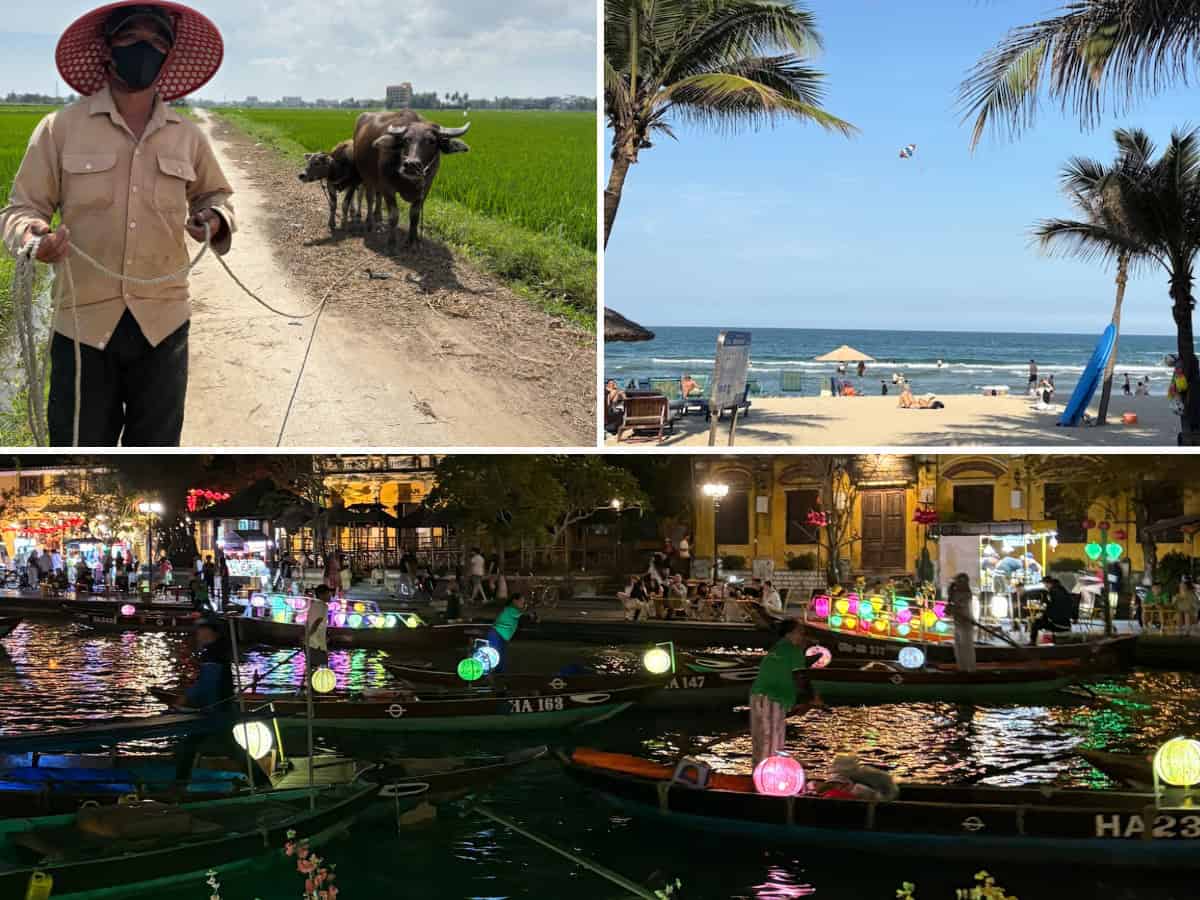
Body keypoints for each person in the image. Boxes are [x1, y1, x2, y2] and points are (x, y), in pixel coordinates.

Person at [0, 3, 235, 446]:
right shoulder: (59, 129)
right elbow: (20, 209)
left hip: (163, 324)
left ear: (167, 55)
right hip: (82, 326)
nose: (143, 48)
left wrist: (214, 220)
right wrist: (34, 238)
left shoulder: (186, 136)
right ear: (108, 49)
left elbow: (216, 196)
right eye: (131, 37)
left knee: (158, 452)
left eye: (156, 40)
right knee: (79, 451)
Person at [171, 617, 268, 789]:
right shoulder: (217, 651)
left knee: (191, 748)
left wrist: (186, 698)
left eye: (201, 630)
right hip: (217, 709)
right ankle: (262, 782)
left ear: (210, 632)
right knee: (220, 748)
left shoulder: (213, 653)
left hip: (214, 711)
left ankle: (178, 786)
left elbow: (207, 683)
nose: (198, 634)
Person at [749, 620, 822, 770]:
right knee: (772, 743)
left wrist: (803, 702)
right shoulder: (793, 650)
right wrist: (812, 698)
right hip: (773, 699)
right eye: (801, 632)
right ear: (790, 634)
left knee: (760, 742)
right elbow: (800, 677)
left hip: (757, 696)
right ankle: (769, 780)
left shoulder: (778, 648)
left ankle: (757, 774)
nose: (803, 636)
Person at [486, 593, 527, 673]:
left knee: (501, 658)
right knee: (494, 658)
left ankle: (499, 676)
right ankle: (490, 676)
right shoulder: (510, 609)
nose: (523, 604)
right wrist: (530, 614)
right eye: (522, 602)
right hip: (497, 635)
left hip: (501, 636)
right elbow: (523, 615)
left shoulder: (512, 610)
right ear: (515, 601)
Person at [1031, 576, 1074, 645]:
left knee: (1036, 623)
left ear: (1048, 584)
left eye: (1045, 584)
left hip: (1057, 623)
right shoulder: (1064, 591)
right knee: (1043, 620)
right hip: (1067, 622)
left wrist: (1042, 615)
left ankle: (1032, 643)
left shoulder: (1052, 592)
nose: (1045, 586)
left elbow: (1052, 608)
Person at [947, 573, 976, 673]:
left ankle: (970, 669)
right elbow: (950, 608)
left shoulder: (967, 594)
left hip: (966, 623)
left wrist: (952, 607)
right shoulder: (955, 593)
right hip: (958, 623)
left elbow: (959, 607)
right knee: (959, 647)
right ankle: (962, 668)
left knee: (966, 648)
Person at [306, 585, 330, 672]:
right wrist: (307, 636)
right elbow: (317, 622)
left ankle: (310, 684)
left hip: (311, 644)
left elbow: (311, 622)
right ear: (321, 594)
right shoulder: (323, 606)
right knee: (322, 671)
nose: (330, 596)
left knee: (312, 670)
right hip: (317, 645)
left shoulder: (313, 605)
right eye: (328, 594)